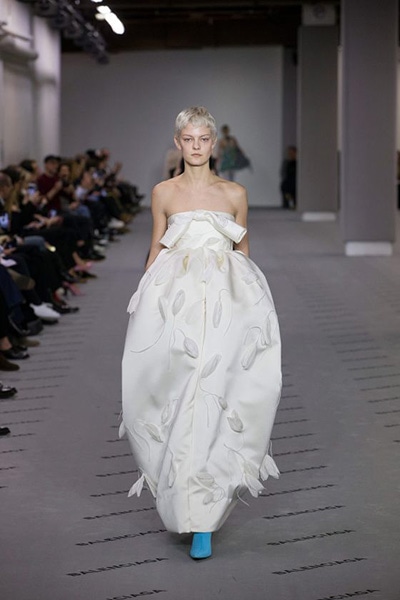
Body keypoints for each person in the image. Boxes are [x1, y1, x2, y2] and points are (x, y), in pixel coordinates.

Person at [121, 107, 281, 560]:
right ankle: (182, 502)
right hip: (175, 307)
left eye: (203, 139)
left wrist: (254, 317)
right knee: (175, 397)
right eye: (188, 139)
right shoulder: (163, 193)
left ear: (214, 143)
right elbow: (156, 249)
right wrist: (142, 305)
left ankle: (204, 517)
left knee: (216, 396)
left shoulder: (234, 193)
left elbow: (242, 255)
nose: (195, 146)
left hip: (226, 309)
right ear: (178, 142)